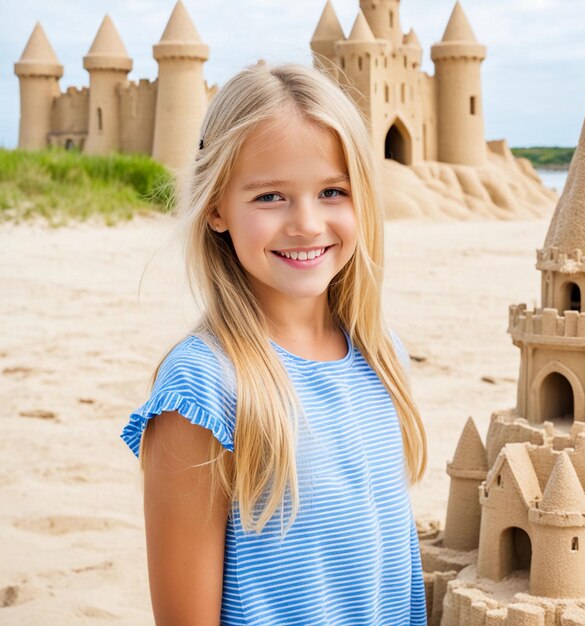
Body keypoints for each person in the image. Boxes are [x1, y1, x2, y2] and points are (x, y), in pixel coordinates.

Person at [120, 61, 428, 626]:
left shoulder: (383, 356)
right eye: (269, 197)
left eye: (333, 191)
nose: (307, 224)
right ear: (216, 207)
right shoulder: (203, 389)